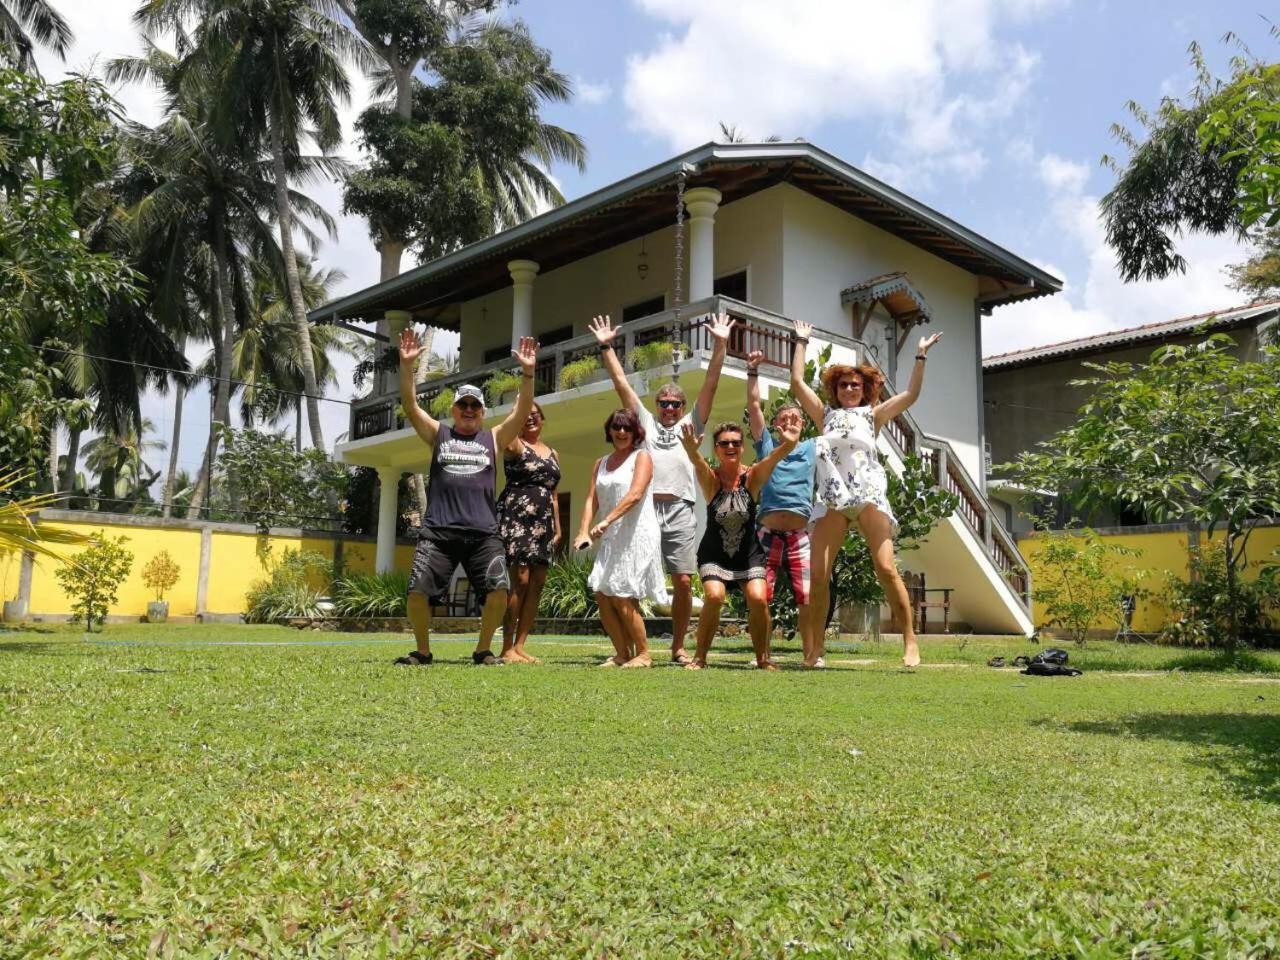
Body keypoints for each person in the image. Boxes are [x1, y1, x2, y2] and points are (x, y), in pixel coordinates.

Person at [790, 320, 942, 668]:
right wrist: (801, 341)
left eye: (855, 385)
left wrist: (919, 357)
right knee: (818, 576)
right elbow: (797, 383)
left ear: (865, 389)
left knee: (886, 568)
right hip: (832, 497)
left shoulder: (872, 415)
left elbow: (910, 396)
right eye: (843, 384)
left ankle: (910, 641)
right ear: (835, 388)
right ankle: (815, 651)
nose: (849, 389)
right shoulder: (825, 415)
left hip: (869, 494)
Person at [588, 312, 735, 665]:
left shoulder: (691, 422)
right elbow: (622, 384)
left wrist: (720, 344)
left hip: (680, 508)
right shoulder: (644, 423)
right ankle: (629, 649)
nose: (669, 409)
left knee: (683, 580)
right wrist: (607, 347)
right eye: (664, 403)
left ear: (683, 408)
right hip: (643, 511)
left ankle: (678, 646)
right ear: (657, 407)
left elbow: (711, 385)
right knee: (630, 578)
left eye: (675, 404)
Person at [392, 328, 540, 666]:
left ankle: (483, 650)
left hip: (483, 533)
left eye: (475, 405)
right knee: (417, 593)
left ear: (482, 411)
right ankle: (423, 651)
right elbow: (410, 405)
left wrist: (528, 372)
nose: (469, 409)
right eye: (463, 404)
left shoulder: (494, 439)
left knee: (499, 592)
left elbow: (523, 410)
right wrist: (406, 366)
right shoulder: (438, 434)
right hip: (438, 532)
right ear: (455, 410)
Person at [678, 419, 798, 670]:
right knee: (714, 596)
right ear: (717, 448)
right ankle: (700, 657)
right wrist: (691, 450)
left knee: (758, 598)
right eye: (724, 443)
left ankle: (764, 658)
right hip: (714, 555)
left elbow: (772, 460)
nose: (730, 446)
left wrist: (788, 445)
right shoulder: (712, 481)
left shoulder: (751, 478)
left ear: (743, 447)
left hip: (748, 555)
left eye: (736, 442)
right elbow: (698, 463)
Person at [744, 349, 823, 666]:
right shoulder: (766, 445)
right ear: (775, 424)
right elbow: (753, 407)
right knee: (761, 597)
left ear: (803, 425)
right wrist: (752, 373)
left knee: (807, 599)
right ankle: (762, 656)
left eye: (796, 418)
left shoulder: (812, 447)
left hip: (799, 535)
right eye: (784, 418)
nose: (790, 421)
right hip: (766, 534)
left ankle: (810, 655)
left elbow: (824, 418)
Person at [575, 408, 667, 668]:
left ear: (635, 431)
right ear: (610, 431)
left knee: (622, 594)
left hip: (637, 533)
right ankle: (623, 653)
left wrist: (606, 520)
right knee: (603, 593)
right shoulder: (600, 463)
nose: (622, 432)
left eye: (627, 427)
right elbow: (591, 498)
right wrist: (583, 530)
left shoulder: (642, 457)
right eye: (617, 427)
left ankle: (644, 654)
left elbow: (635, 494)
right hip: (612, 535)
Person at [497, 401, 561, 663]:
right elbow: (504, 431)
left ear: (542, 419)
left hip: (544, 523)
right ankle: (506, 647)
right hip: (517, 517)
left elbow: (554, 493)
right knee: (520, 581)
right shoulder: (514, 444)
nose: (530, 419)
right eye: (525, 416)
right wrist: (518, 408)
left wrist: (558, 526)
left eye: (534, 415)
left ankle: (521, 645)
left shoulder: (552, 452)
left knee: (537, 584)